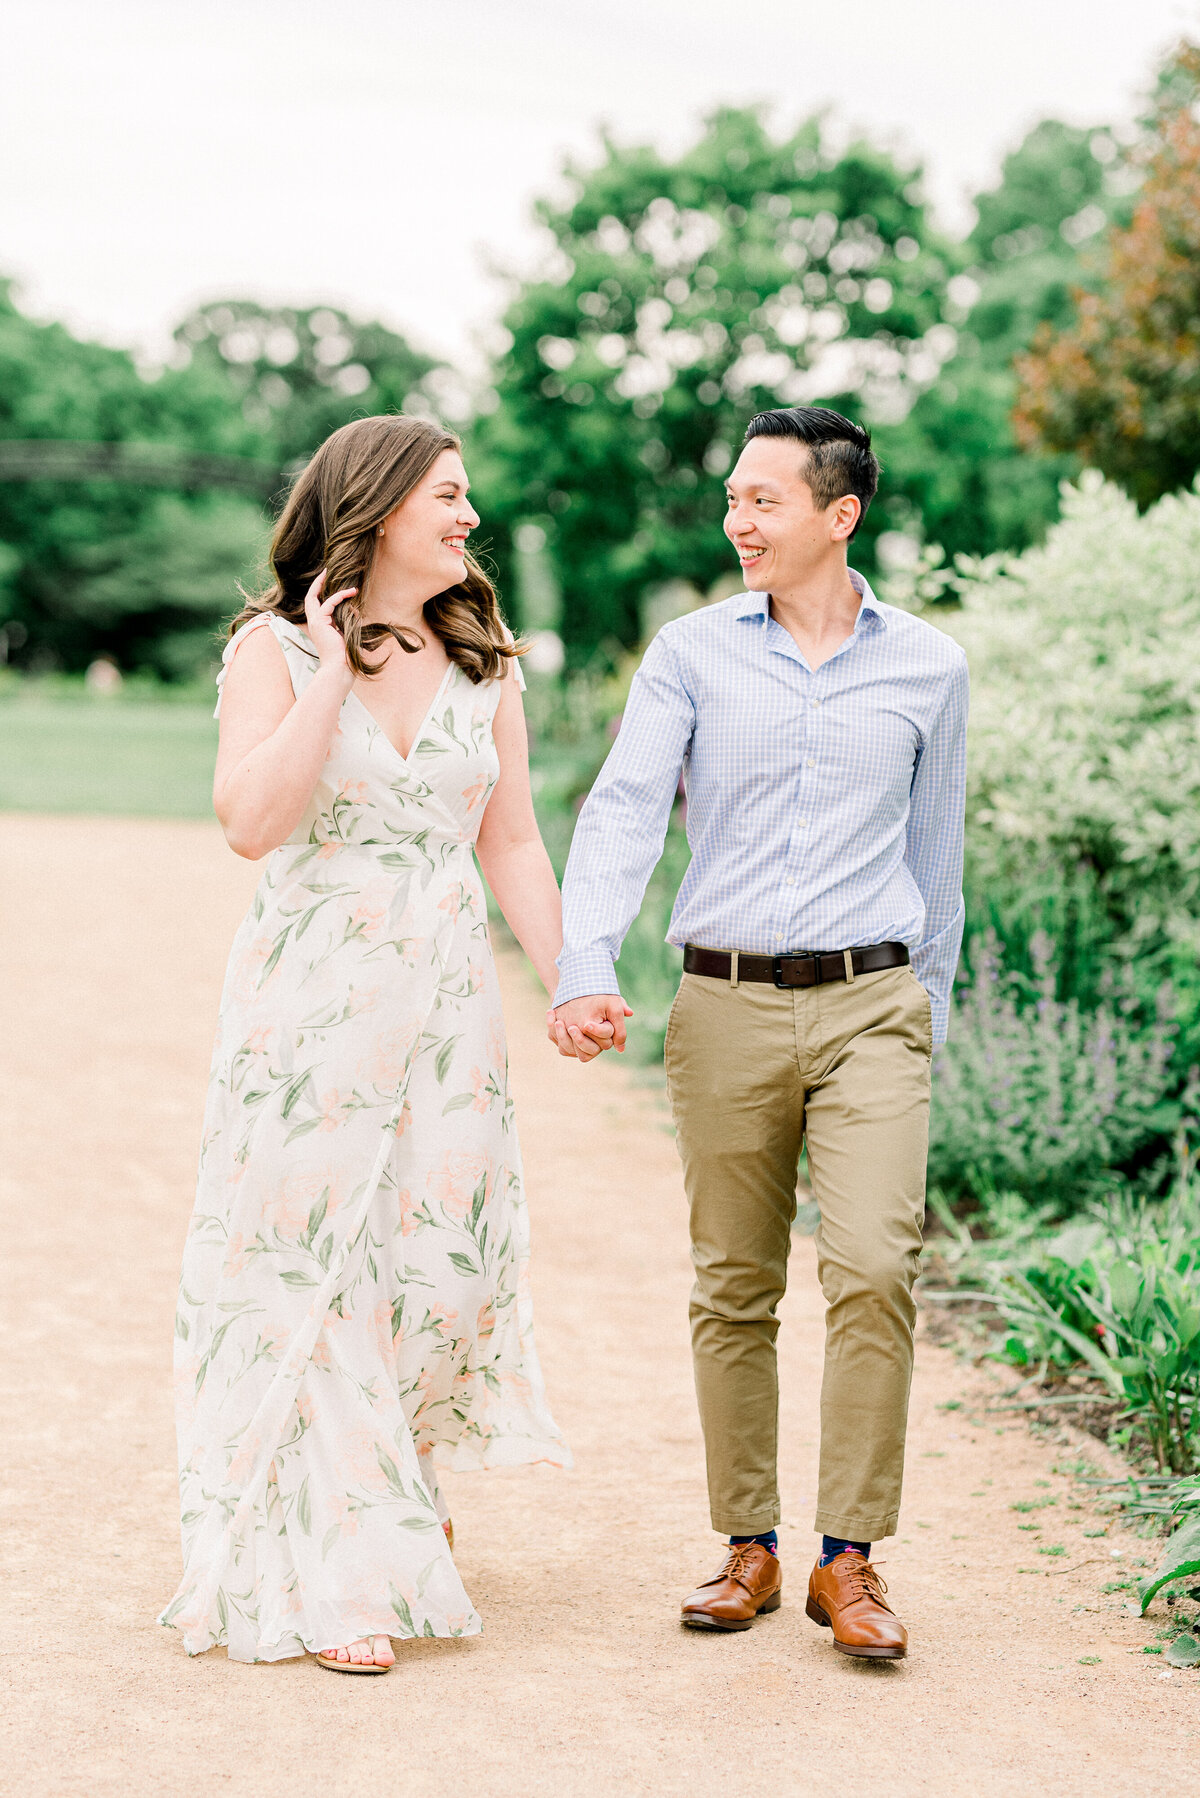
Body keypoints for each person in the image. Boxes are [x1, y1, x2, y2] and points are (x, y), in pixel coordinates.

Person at [159, 414, 579, 1672]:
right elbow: (251, 821)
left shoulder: (485, 665)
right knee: (315, 1263)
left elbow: (509, 840)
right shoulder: (269, 652)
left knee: (433, 1262)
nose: (468, 516)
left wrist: (573, 983)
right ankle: (339, 1565)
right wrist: (335, 667)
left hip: (447, 1006)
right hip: (311, 1004)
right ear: (379, 508)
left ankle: (398, 1484)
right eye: (448, 495)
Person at [548, 407, 967, 1659]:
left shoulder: (930, 669)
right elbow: (626, 810)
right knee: (734, 1285)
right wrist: (581, 964)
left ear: (840, 516)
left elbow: (936, 853)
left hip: (872, 1003)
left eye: (763, 501)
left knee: (876, 1267)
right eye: (732, 499)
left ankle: (852, 1560)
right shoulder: (687, 653)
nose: (738, 521)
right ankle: (748, 1546)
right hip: (724, 1000)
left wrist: (925, 1013)